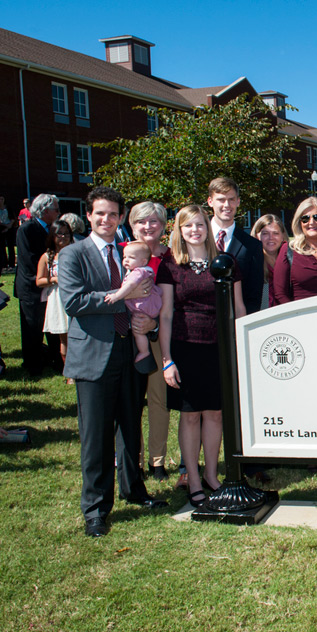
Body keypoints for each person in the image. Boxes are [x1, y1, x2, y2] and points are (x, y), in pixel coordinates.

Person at [58, 186, 166, 538]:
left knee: (130, 427)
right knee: (96, 436)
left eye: (113, 214)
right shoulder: (74, 254)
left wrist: (148, 321)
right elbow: (74, 301)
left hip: (129, 351)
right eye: (99, 213)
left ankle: (134, 490)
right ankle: (96, 508)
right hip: (93, 354)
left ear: (121, 218)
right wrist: (123, 297)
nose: (106, 219)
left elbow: (146, 294)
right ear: (88, 215)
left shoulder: (129, 253)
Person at [158, 205, 246, 508]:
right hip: (185, 348)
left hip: (219, 347)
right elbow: (166, 314)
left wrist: (239, 348)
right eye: (188, 226)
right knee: (191, 415)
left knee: (216, 414)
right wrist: (167, 359)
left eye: (199, 225)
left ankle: (211, 474)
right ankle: (193, 479)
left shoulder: (225, 261)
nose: (195, 231)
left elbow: (238, 308)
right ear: (179, 231)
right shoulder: (170, 265)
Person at [126, 201, 173, 482]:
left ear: (163, 224)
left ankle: (157, 461)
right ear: (131, 225)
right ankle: (134, 460)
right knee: (131, 401)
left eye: (153, 221)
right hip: (128, 340)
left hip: (159, 339)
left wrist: (153, 323)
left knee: (159, 400)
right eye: (141, 221)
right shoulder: (122, 256)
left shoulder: (171, 257)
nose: (147, 226)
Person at [15, 193, 61, 376]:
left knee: (51, 322)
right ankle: (33, 363)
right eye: (56, 209)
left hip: (48, 285)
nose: (59, 212)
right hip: (32, 287)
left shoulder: (52, 229)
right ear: (45, 210)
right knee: (32, 326)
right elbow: (29, 260)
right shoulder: (26, 229)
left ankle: (53, 357)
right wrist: (50, 274)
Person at [207, 177, 265, 315]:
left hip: (235, 322)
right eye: (221, 199)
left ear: (238, 202)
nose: (227, 205)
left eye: (231, 199)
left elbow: (253, 296)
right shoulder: (197, 239)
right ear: (210, 201)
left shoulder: (252, 246)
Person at [104, 241, 162, 373]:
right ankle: (144, 351)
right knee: (138, 330)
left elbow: (129, 286)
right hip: (146, 305)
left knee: (138, 331)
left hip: (141, 306)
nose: (126, 260)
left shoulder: (138, 273)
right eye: (125, 257)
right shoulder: (140, 270)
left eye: (131, 258)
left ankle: (144, 351)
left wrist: (117, 296)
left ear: (143, 261)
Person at [35, 220, 73, 383]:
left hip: (74, 295)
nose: (63, 237)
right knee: (64, 336)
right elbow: (39, 280)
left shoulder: (75, 252)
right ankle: (69, 372)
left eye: (66, 233)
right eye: (59, 234)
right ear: (53, 236)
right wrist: (56, 279)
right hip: (57, 298)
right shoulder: (47, 256)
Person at [251, 214, 289, 308]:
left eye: (275, 233)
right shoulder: (252, 264)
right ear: (257, 236)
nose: (271, 237)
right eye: (265, 233)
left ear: (282, 236)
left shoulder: (291, 261)